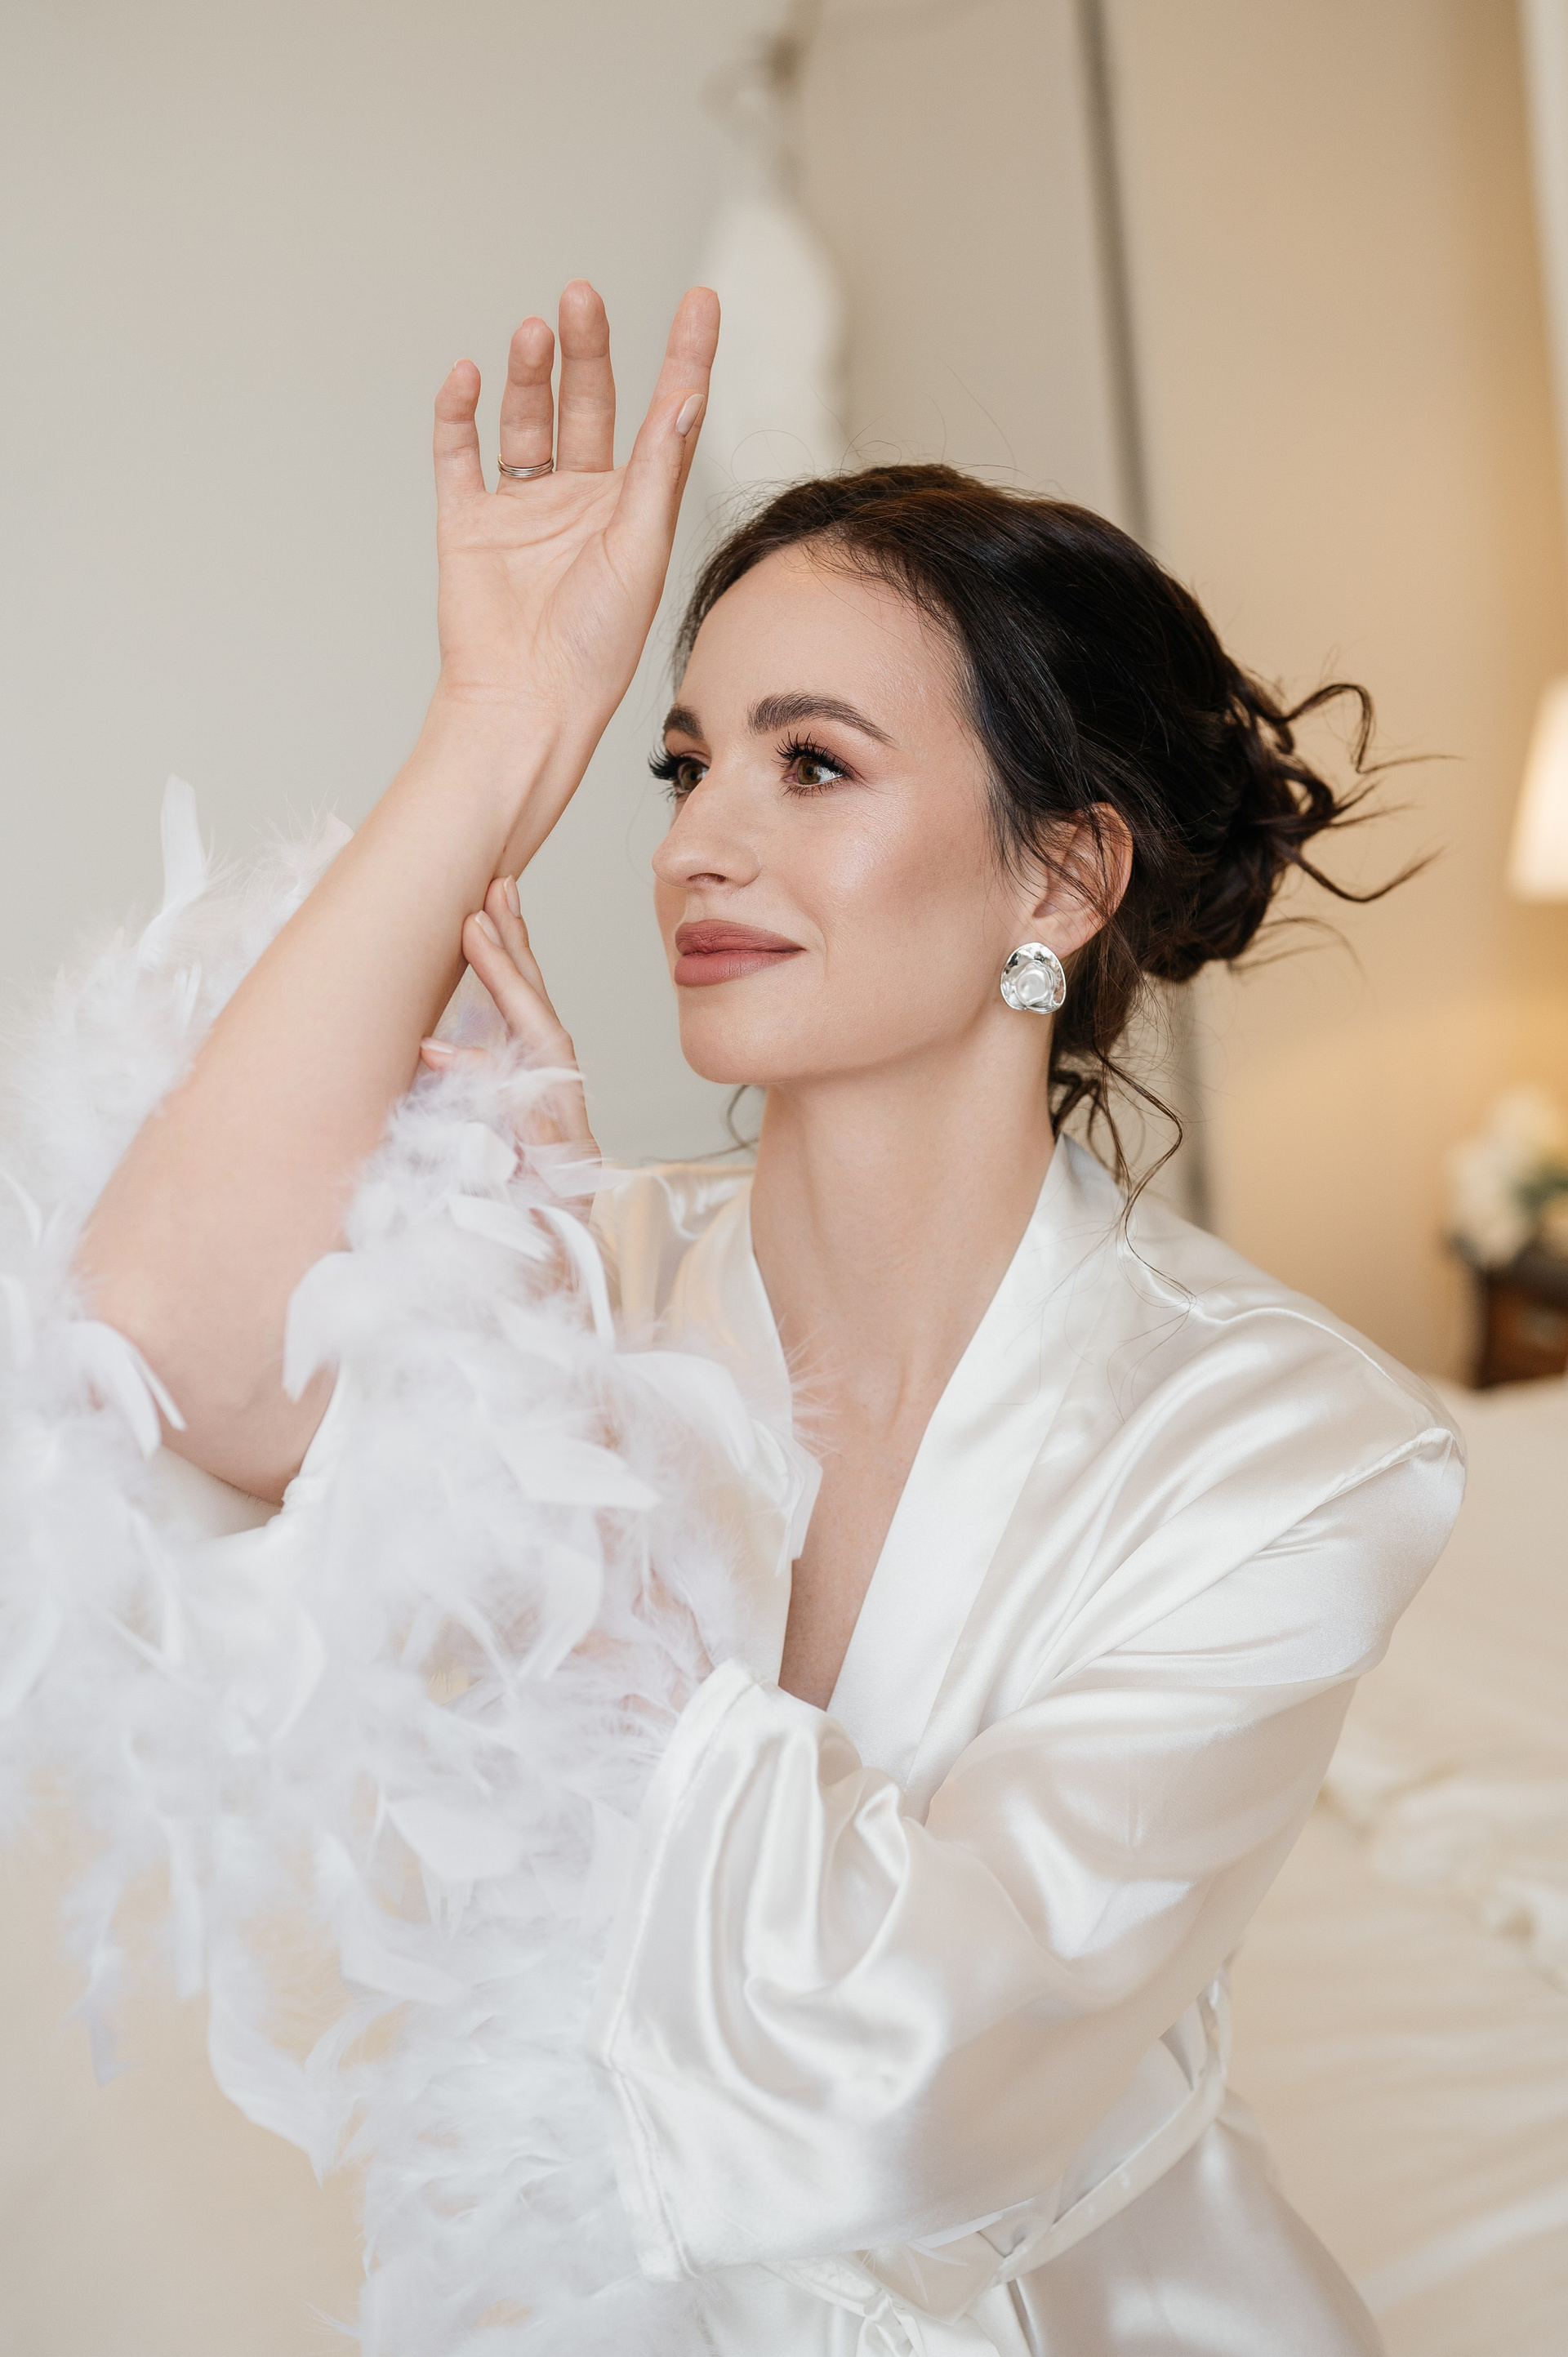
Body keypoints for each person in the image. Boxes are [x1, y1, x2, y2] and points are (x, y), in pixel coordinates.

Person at [78, 283, 1463, 2355]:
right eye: (681, 761)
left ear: (1061, 879)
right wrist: (498, 728)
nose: (697, 845)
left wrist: (600, 1489)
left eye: (814, 764)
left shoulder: (1291, 1446)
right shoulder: (578, 1277)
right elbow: (151, 1346)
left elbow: (910, 2089)